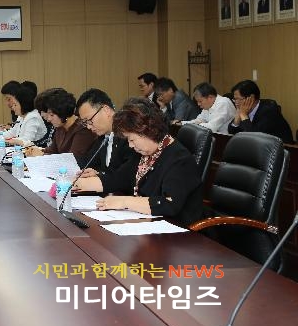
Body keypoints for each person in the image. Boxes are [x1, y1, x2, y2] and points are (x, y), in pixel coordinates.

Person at [74, 98, 202, 225]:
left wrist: (124, 202)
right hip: (149, 222)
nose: (130, 145)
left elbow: (169, 204)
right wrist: (77, 184)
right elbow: (119, 178)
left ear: (147, 131)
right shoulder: (144, 155)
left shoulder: (179, 159)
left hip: (178, 229)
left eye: (131, 139)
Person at [24, 88, 97, 164]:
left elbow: (72, 160)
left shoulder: (83, 129)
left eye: (52, 115)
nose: (48, 119)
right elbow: (52, 151)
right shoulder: (60, 127)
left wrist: (42, 155)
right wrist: (35, 151)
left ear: (62, 112)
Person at [75, 88, 139, 175]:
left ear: (106, 110)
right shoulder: (102, 137)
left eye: (89, 120)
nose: (89, 126)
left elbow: (127, 175)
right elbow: (88, 162)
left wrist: (100, 176)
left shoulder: (129, 134)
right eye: (85, 122)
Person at [227, 80, 294, 144]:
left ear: (251, 98)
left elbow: (253, 138)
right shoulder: (244, 109)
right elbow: (231, 131)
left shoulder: (269, 111)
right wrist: (238, 116)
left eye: (238, 99)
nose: (236, 103)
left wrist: (243, 115)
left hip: (280, 149)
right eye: (234, 99)